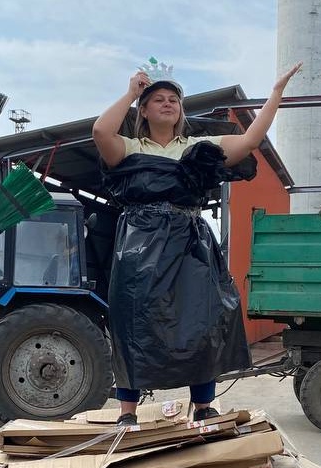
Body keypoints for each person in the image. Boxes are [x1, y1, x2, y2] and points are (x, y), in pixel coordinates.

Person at [93, 61, 301, 425]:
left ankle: (203, 404)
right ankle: (128, 411)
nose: (168, 103)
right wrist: (130, 92)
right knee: (132, 322)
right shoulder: (127, 148)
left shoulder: (197, 147)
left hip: (190, 243)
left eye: (174, 99)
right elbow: (99, 131)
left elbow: (250, 140)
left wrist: (276, 94)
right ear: (143, 110)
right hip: (139, 245)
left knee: (202, 319)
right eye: (158, 99)